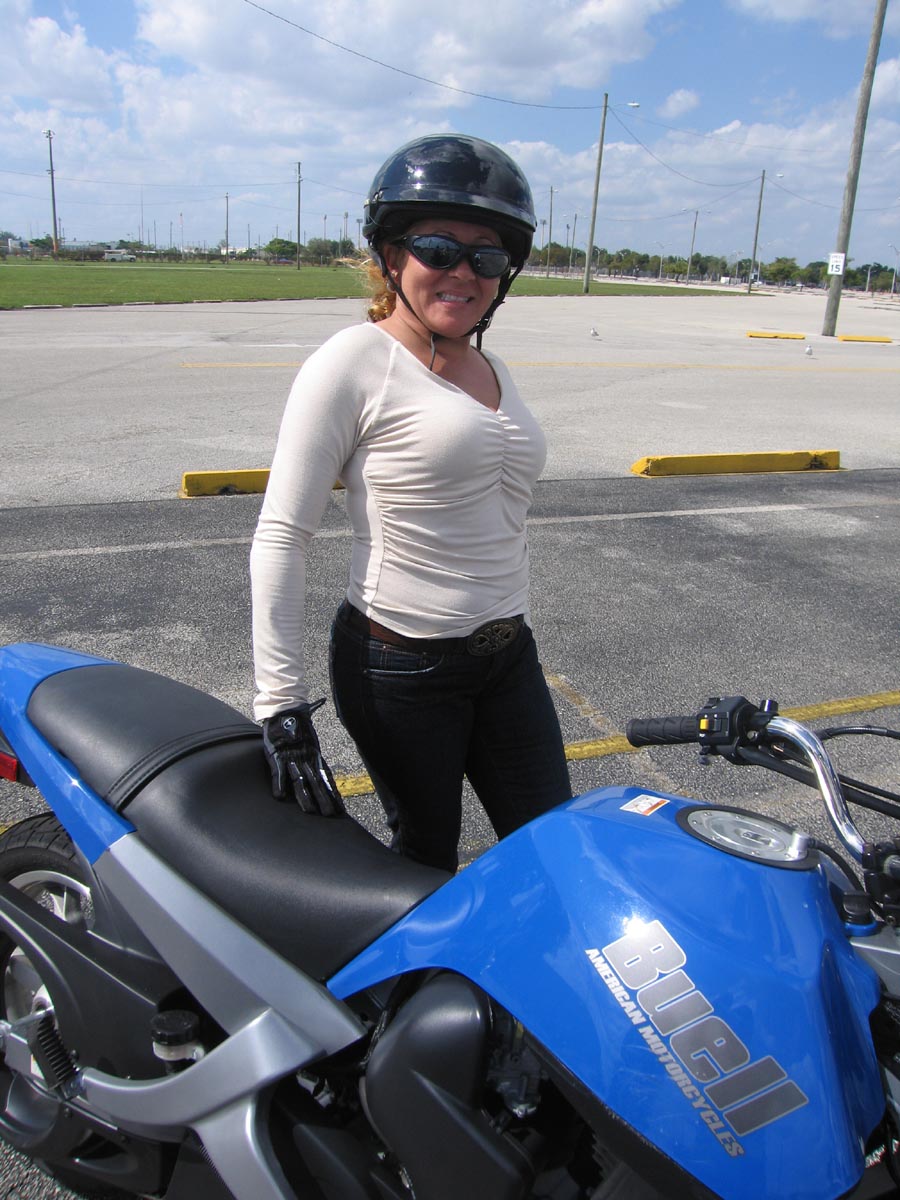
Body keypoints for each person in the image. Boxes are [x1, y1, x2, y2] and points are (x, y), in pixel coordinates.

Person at [251, 133, 572, 873]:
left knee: (554, 848)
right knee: (427, 861)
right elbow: (282, 533)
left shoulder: (490, 365)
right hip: (400, 665)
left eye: (486, 257)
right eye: (438, 248)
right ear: (392, 256)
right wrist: (281, 704)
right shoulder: (353, 361)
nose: (463, 272)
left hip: (507, 655)